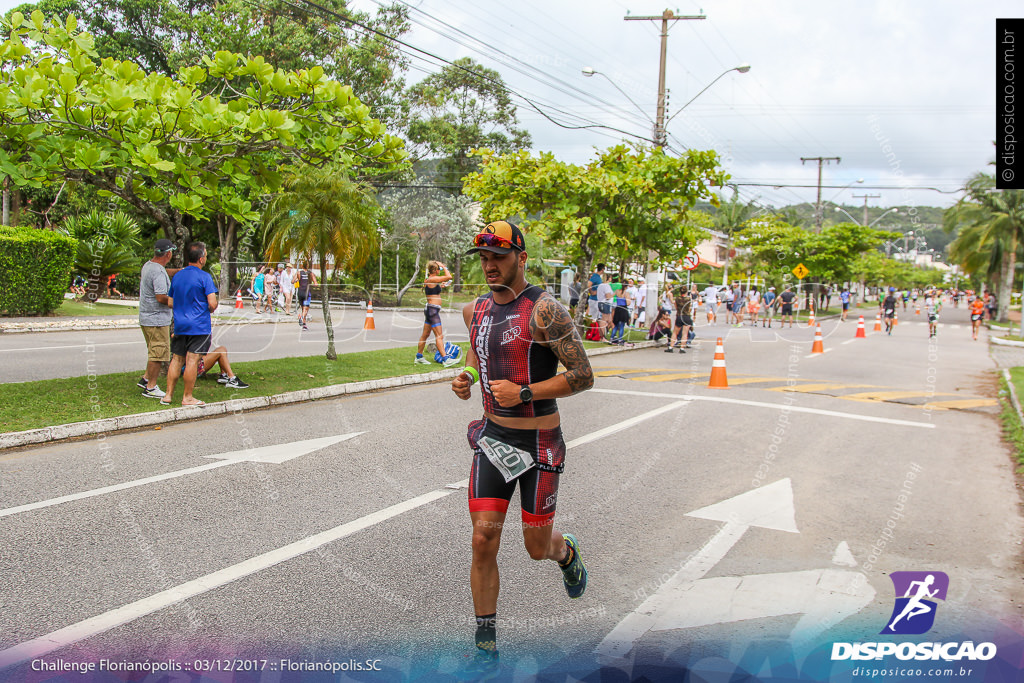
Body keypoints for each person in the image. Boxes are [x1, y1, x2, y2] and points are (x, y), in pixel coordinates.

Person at [450, 220, 593, 677]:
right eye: (484, 258)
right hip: (493, 439)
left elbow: (583, 375)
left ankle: (565, 551)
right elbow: (477, 350)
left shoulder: (546, 311)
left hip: (539, 442)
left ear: (521, 258)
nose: (490, 266)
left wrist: (526, 392)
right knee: (482, 538)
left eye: (499, 257)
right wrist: (468, 377)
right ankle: (485, 647)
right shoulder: (475, 310)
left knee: (535, 547)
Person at [162, 242, 219, 407]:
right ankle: (187, 397)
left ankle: (168, 395)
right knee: (192, 360)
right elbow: (212, 304)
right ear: (201, 259)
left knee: (176, 359)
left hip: (180, 325)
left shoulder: (178, 276)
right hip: (199, 326)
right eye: (206, 255)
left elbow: (171, 302)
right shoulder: (205, 277)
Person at [137, 239, 180, 399]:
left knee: (153, 350)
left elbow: (163, 272)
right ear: (168, 254)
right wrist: (181, 304)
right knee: (158, 354)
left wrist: (178, 271)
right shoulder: (158, 272)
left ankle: (146, 379)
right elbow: (161, 297)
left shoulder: (149, 266)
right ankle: (151, 387)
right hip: (157, 320)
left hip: (146, 318)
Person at [415, 260, 459, 366]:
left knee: (425, 335)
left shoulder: (431, 280)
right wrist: (443, 266)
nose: (440, 270)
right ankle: (445, 360)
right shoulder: (432, 279)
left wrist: (442, 285)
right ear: (434, 269)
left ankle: (419, 357)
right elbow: (449, 276)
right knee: (439, 336)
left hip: (430, 310)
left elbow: (438, 286)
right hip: (433, 311)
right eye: (438, 269)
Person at [666, 286, 692, 352]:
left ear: (680, 291)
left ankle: (671, 347)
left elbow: (676, 307)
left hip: (679, 316)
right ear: (686, 291)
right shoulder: (689, 299)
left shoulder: (677, 299)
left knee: (675, 332)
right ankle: (682, 348)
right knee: (685, 333)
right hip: (686, 316)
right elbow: (690, 308)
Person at [295, 262, 317, 330]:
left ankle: (304, 325)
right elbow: (316, 284)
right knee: (305, 309)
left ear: (302, 266)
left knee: (303, 308)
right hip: (307, 293)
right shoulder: (311, 273)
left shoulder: (298, 272)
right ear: (308, 266)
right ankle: (301, 318)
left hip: (300, 292)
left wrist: (297, 281)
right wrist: (313, 284)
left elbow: (292, 281)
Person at [595, 272, 614, 340]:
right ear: (609, 278)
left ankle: (610, 334)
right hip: (605, 303)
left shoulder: (600, 285)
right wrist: (614, 294)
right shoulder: (606, 286)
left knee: (609, 319)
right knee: (604, 320)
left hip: (601, 303)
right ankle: (602, 337)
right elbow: (608, 296)